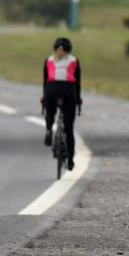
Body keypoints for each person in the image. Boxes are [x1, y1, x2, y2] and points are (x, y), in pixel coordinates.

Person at [42, 37, 82, 170]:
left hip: (51, 89)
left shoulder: (48, 60)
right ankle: (70, 160)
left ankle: (48, 130)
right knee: (69, 128)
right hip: (69, 90)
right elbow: (77, 83)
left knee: (50, 111)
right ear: (69, 50)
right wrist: (78, 100)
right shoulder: (74, 61)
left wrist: (44, 98)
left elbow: (45, 81)